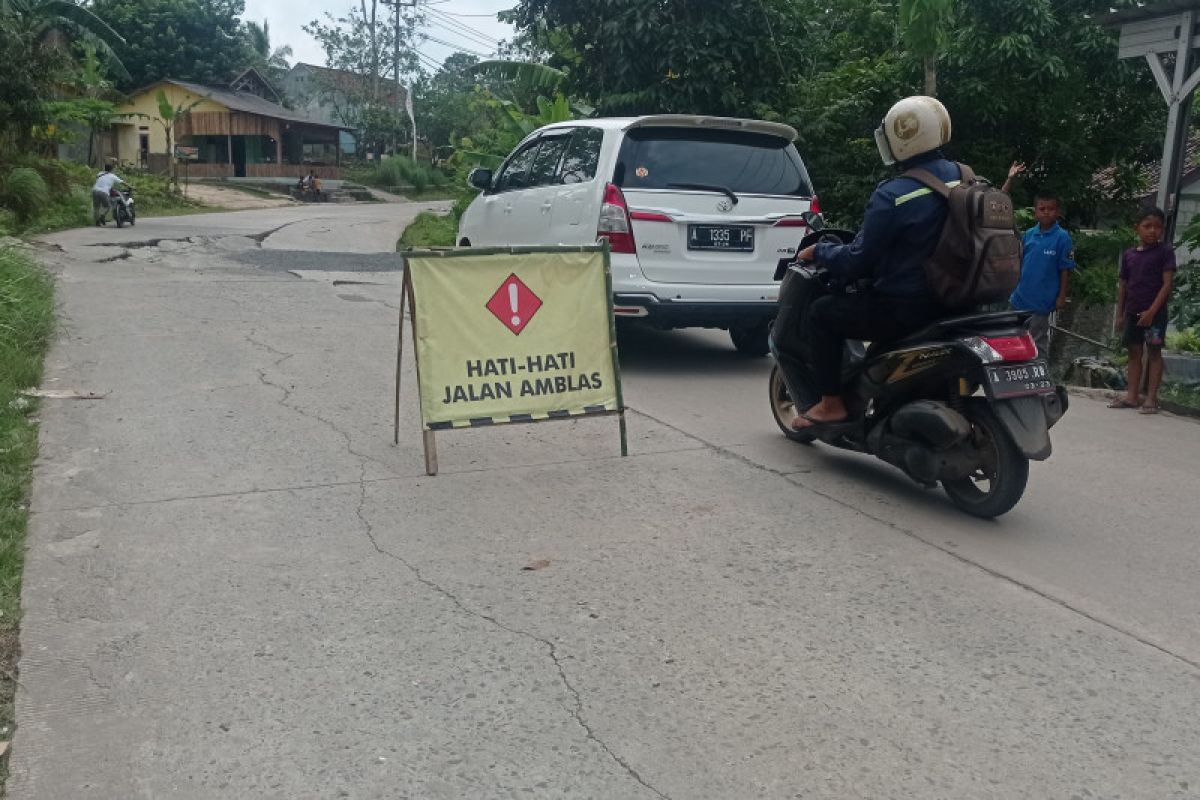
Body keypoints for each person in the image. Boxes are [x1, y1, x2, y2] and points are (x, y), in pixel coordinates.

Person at [791, 95, 961, 431]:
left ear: (901, 138)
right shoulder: (967, 179)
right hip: (962, 302)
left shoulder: (894, 194)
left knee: (822, 314)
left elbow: (857, 260)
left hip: (908, 308)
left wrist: (820, 252)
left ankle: (830, 404)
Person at [1109, 207, 1176, 414]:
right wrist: (1120, 314)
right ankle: (1132, 395)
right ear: (1136, 228)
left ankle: (1151, 399)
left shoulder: (1165, 252)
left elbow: (1167, 285)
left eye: (1157, 227)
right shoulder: (1129, 255)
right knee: (1134, 352)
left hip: (1154, 315)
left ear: (1162, 230)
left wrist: (1151, 312)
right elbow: (1123, 286)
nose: (1152, 231)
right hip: (1132, 313)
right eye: (1147, 226)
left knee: (1154, 352)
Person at [1008, 191, 1076, 357]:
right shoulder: (1029, 234)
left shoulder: (1062, 238)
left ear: (1058, 212)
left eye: (1051, 209)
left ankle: (1040, 376)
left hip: (1041, 300)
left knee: (1037, 341)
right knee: (1014, 339)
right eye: (1042, 208)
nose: (1046, 212)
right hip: (1019, 297)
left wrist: (1061, 297)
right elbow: (1020, 261)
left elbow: (1065, 269)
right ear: (1036, 211)